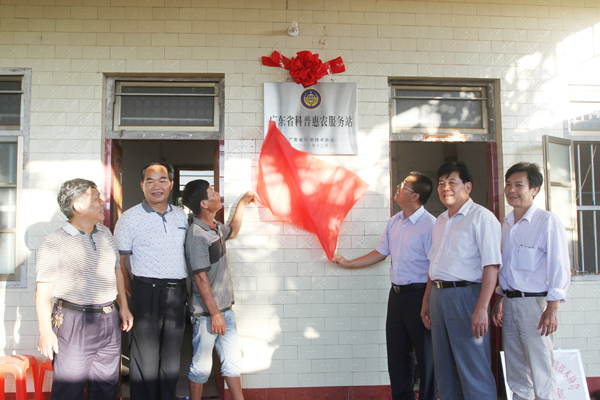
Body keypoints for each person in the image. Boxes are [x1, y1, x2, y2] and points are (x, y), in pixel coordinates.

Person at [333, 172, 437, 400]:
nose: (399, 187)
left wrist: (427, 301)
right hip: (397, 295)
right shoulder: (395, 221)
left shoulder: (430, 225)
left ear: (415, 196)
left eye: (405, 185)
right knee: (398, 353)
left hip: (420, 295)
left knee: (426, 355)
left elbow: (434, 266)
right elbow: (381, 252)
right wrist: (349, 263)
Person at [36, 179, 133, 400]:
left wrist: (124, 307)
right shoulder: (54, 241)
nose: (102, 201)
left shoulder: (105, 234)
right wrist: (45, 331)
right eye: (96, 198)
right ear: (78, 206)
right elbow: (43, 291)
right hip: (74, 321)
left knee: (106, 388)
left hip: (108, 319)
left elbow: (116, 270)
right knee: (69, 390)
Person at [420, 161, 501, 400]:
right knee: (444, 368)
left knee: (473, 367)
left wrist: (482, 308)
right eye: (441, 183)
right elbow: (434, 264)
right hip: (438, 296)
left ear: (468, 186)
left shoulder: (482, 218)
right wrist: (426, 300)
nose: (445, 188)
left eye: (452, 182)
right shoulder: (440, 221)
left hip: (466, 297)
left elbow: (491, 266)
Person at [491, 162, 570, 400]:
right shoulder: (506, 224)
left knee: (540, 370)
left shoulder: (547, 222)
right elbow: (505, 267)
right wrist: (499, 299)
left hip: (535, 306)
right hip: (510, 304)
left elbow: (559, 266)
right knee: (516, 371)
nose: (511, 190)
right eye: (508, 184)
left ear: (534, 189)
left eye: (519, 185)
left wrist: (552, 308)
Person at [114, 162, 188, 400]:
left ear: (171, 184)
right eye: (150, 181)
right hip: (146, 291)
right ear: (142, 185)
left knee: (171, 360)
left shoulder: (181, 216)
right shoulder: (129, 218)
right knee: (145, 360)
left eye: (162, 180)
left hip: (177, 293)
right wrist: (132, 292)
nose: (157, 186)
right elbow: (118, 263)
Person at [182, 180, 256, 400]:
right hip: (206, 314)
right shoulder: (197, 234)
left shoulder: (215, 227)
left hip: (225, 311)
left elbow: (233, 230)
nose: (217, 194)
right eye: (212, 192)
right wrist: (214, 314)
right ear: (204, 204)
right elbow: (200, 277)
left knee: (233, 364)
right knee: (201, 368)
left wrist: (242, 202)